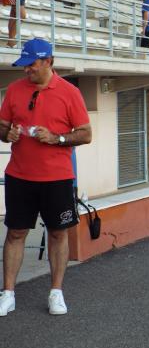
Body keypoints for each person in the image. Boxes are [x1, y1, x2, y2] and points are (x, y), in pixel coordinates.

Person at [0, 38, 92, 317]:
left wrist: (57, 138)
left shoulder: (69, 92)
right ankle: (8, 294)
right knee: (15, 232)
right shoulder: (15, 90)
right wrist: (8, 134)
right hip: (19, 176)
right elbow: (2, 126)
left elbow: (86, 133)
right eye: (24, 65)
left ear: (48, 62)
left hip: (57, 178)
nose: (27, 70)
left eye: (32, 64)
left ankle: (56, 293)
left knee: (57, 233)